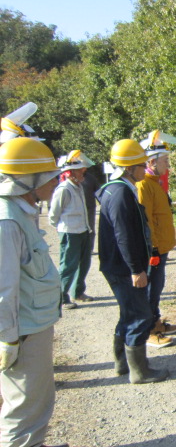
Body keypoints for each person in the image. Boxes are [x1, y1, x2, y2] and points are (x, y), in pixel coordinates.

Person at [0, 137, 71, 447]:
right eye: (49, 175)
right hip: (23, 334)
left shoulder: (20, 212)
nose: (56, 180)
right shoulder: (7, 222)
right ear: (28, 181)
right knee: (24, 410)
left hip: (30, 328)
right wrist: (8, 340)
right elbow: (3, 290)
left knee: (36, 401)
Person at [96, 139, 168, 384]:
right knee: (139, 314)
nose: (144, 168)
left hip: (118, 266)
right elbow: (124, 235)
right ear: (129, 168)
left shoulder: (114, 188)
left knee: (128, 313)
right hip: (124, 268)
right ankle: (140, 371)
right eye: (140, 164)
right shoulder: (120, 194)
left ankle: (122, 364)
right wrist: (137, 269)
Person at [137, 130, 176, 348]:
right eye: (165, 161)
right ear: (152, 162)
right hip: (154, 249)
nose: (168, 165)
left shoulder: (155, 183)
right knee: (150, 289)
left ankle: (156, 321)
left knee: (157, 287)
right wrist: (152, 248)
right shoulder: (144, 184)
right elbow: (145, 221)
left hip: (161, 247)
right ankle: (149, 331)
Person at [49, 150, 95, 309]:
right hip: (70, 233)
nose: (84, 172)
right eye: (81, 170)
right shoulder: (64, 189)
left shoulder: (78, 186)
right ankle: (62, 297)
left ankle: (78, 292)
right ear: (71, 172)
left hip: (83, 231)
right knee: (68, 266)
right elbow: (53, 214)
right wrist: (61, 229)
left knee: (85, 263)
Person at [80, 169, 100, 253]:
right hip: (77, 209)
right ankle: (80, 248)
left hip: (90, 208)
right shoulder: (72, 178)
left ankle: (90, 249)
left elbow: (98, 192)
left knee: (90, 229)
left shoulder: (91, 178)